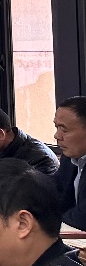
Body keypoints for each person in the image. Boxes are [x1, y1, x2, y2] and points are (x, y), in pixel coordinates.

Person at [52, 96, 86, 229]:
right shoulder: (70, 157)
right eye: (57, 127)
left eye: (64, 129)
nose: (57, 136)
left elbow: (81, 218)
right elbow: (54, 191)